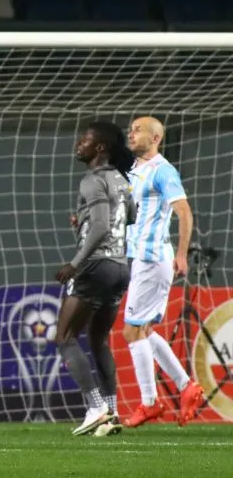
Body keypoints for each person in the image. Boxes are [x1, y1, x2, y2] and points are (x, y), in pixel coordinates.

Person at [122, 116, 204, 428]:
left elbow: (184, 212)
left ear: (156, 137)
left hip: (153, 258)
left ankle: (149, 402)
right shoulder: (136, 170)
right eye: (130, 129)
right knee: (145, 331)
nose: (131, 133)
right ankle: (187, 387)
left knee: (132, 331)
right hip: (141, 257)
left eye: (138, 130)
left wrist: (182, 254)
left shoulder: (162, 170)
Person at [55, 121, 136, 437]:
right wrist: (83, 221)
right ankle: (113, 411)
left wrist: (75, 263)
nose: (79, 143)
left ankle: (95, 407)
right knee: (98, 338)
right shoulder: (120, 179)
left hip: (96, 266)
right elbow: (129, 216)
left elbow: (102, 225)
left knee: (64, 336)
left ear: (100, 147)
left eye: (85, 140)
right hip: (120, 267)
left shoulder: (92, 180)